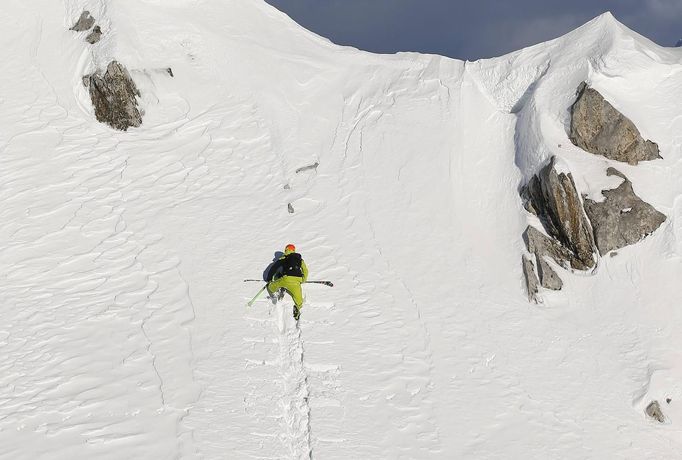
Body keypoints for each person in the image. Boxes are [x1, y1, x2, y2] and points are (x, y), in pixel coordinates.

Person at [266, 244, 308, 320]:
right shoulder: (299, 259)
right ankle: (298, 308)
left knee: (271, 287)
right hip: (297, 281)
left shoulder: (284, 257)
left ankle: (275, 294)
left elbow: (274, 268)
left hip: (285, 279)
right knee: (299, 300)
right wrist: (303, 280)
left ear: (286, 250)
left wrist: (269, 279)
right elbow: (305, 270)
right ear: (294, 250)